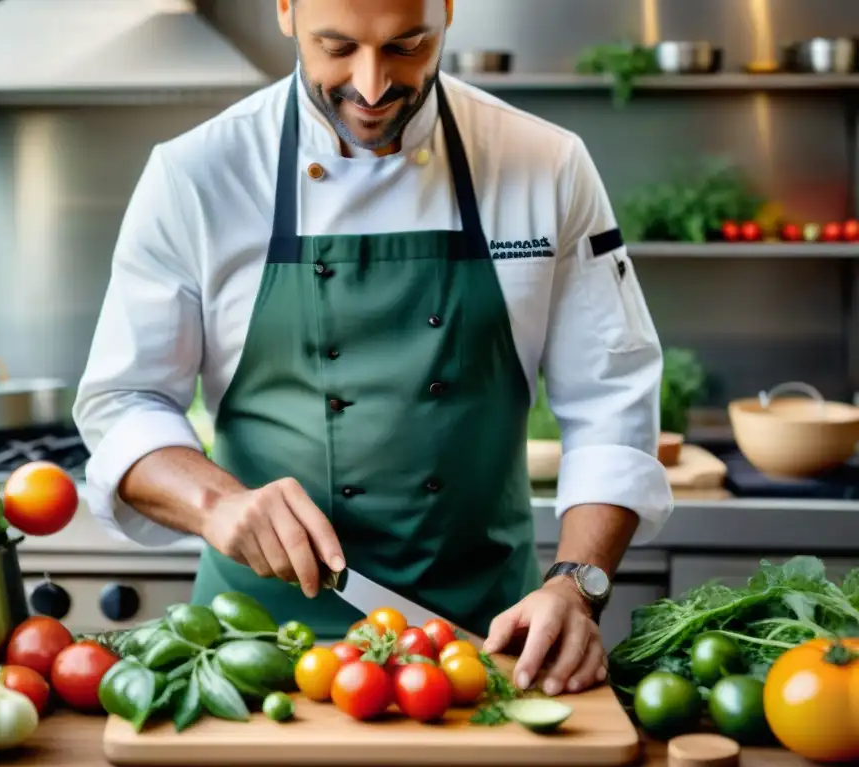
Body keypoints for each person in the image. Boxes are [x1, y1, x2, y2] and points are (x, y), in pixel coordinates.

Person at [73, 0, 674, 696]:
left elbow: (612, 398)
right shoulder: (200, 174)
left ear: (449, 10)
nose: (371, 84)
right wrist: (217, 505)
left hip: (487, 643)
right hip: (251, 650)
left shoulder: (544, 164)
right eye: (337, 47)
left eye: (407, 46)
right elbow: (123, 402)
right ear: (287, 10)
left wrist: (576, 585)